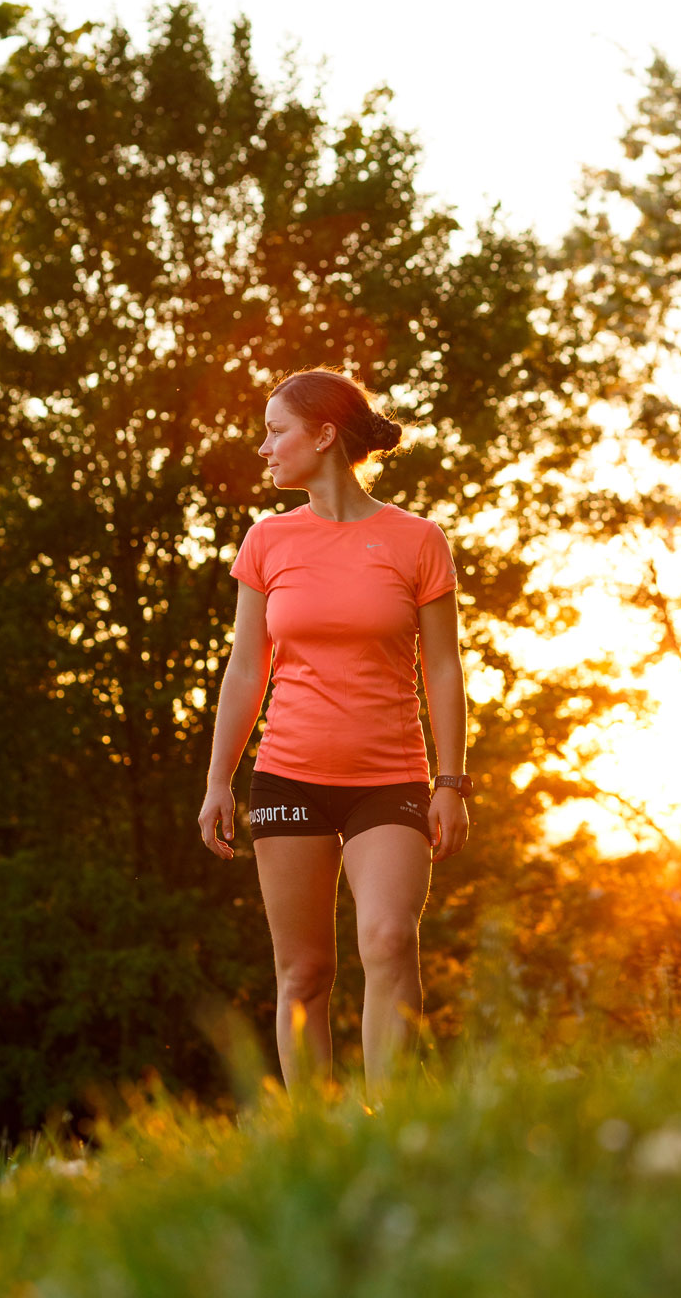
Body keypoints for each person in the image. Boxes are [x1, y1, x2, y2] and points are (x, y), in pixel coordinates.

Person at [197, 366, 470, 1092]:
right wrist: (218, 780)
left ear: (323, 435)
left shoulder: (417, 540)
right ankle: (314, 1141)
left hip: (391, 778)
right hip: (288, 774)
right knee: (306, 970)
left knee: (388, 938)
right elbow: (245, 669)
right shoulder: (267, 542)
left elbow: (442, 670)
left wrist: (451, 780)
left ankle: (391, 1133)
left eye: (275, 431)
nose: (263, 448)